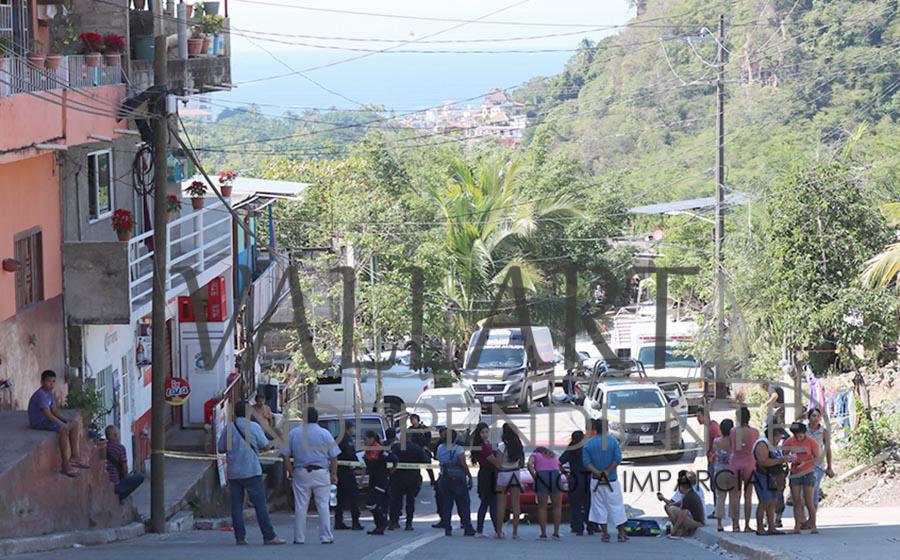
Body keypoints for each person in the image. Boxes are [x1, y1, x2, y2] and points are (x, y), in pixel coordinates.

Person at [217, 401, 286, 546]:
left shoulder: (228, 429)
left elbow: (221, 448)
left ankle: (240, 538)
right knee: (260, 505)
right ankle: (269, 536)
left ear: (235, 413)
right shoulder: (254, 427)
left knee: (236, 506)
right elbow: (265, 445)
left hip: (234, 472)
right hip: (251, 470)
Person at [284, 407, 339, 544]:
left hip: (301, 472)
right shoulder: (325, 433)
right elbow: (333, 456)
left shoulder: (294, 433)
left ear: (304, 418)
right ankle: (326, 536)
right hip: (321, 472)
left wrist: (290, 470)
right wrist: (334, 474)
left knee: (301, 506)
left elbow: (285, 454)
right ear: (317, 418)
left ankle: (299, 537)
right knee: (323, 505)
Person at [28, 370, 89, 478]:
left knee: (74, 424)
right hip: (39, 422)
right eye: (48, 382)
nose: (51, 384)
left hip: (48, 419)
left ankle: (75, 456)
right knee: (63, 430)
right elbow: (48, 415)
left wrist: (65, 420)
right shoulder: (41, 395)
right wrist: (63, 425)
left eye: (53, 382)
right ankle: (65, 464)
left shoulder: (49, 394)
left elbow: (55, 411)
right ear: (42, 382)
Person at [582, 418, 629, 543]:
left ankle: (605, 534)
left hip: (596, 480)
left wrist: (598, 472)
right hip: (611, 479)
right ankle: (621, 533)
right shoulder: (613, 442)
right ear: (607, 428)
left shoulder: (588, 444)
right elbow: (617, 459)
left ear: (595, 429)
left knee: (599, 507)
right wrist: (607, 472)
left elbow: (586, 463)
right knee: (617, 506)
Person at [752, 430, 791, 536]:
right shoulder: (762, 444)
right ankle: (760, 528)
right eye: (779, 437)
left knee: (773, 501)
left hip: (773, 476)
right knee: (764, 502)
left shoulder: (773, 446)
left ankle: (771, 526)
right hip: (762, 475)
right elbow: (763, 461)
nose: (779, 440)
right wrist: (780, 460)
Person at [436, 429, 475, 536]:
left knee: (447, 503)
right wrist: (469, 476)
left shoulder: (440, 448)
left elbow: (439, 459)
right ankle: (467, 527)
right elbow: (463, 464)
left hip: (445, 477)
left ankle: (447, 527)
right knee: (464, 504)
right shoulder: (458, 449)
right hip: (458, 478)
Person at [389, 427, 429, 530]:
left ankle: (394, 521)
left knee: (396, 500)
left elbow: (389, 459)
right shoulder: (416, 448)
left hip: (397, 478)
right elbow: (426, 461)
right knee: (410, 501)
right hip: (412, 478)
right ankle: (408, 523)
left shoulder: (397, 448)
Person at [784, 422, 819, 534]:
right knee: (797, 501)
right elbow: (783, 453)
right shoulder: (790, 441)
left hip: (808, 472)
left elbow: (816, 457)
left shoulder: (811, 442)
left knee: (809, 501)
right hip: (795, 473)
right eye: (796, 435)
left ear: (804, 433)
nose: (798, 437)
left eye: (800, 435)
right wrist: (789, 458)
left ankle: (813, 525)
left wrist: (805, 463)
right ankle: (797, 526)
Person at [729, 406, 758, 533]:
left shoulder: (733, 431)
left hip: (735, 463)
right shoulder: (754, 432)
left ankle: (735, 525)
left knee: (735, 496)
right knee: (748, 496)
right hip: (749, 463)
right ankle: (746, 525)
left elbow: (732, 447)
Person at [494, 423, 525, 539]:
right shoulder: (518, 446)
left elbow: (497, 464)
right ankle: (515, 533)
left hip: (504, 475)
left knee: (501, 505)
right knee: (515, 504)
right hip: (515, 474)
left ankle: (499, 532)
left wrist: (503, 468)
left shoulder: (502, 447)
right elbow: (522, 464)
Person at [364, 430, 398, 535]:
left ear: (372, 439)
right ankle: (379, 526)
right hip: (373, 480)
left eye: (365, 439)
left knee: (371, 502)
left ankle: (383, 522)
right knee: (374, 504)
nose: (364, 441)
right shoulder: (369, 451)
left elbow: (394, 459)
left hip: (381, 481)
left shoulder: (380, 450)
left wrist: (392, 469)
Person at [560, 430, 592, 536]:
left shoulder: (571, 448)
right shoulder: (587, 447)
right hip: (588, 476)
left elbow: (559, 462)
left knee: (575, 504)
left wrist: (565, 472)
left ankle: (578, 527)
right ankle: (590, 526)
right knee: (588, 503)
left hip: (575, 477)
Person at [528, 446, 563, 540]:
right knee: (557, 506)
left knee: (542, 507)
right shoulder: (553, 456)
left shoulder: (535, 455)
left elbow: (529, 464)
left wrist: (534, 476)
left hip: (542, 476)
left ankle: (543, 534)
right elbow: (560, 467)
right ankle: (556, 533)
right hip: (555, 475)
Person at [334, 422, 364, 531]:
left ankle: (338, 522)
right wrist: (358, 464)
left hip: (338, 471)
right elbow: (351, 455)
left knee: (340, 498)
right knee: (354, 497)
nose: (354, 431)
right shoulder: (346, 440)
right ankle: (355, 522)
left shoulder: (336, 438)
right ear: (348, 429)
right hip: (346, 471)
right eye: (353, 428)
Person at [471, 422, 498, 537]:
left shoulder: (486, 444)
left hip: (486, 474)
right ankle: (492, 530)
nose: (485, 434)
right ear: (479, 434)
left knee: (488, 503)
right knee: (489, 503)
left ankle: (486, 529)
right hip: (488, 475)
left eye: (487, 432)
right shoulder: (483, 446)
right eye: (482, 432)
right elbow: (494, 462)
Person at [105, 426, 144, 500]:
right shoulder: (120, 448)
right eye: (117, 434)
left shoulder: (105, 447)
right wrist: (125, 476)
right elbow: (125, 467)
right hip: (116, 484)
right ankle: (122, 496)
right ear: (115, 435)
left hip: (107, 482)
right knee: (140, 477)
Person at [807, 407, 834, 507]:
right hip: (805, 465)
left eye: (818, 416)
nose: (816, 418)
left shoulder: (823, 432)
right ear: (809, 418)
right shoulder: (804, 430)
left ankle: (812, 517)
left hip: (818, 466)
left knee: (814, 490)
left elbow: (827, 449)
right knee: (805, 493)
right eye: (813, 416)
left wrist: (829, 466)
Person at [697, 407, 721, 518]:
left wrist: (712, 454)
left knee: (715, 486)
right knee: (713, 487)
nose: (697, 419)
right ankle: (717, 510)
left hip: (714, 461)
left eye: (699, 416)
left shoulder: (712, 427)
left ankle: (718, 510)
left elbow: (718, 441)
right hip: (712, 460)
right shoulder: (710, 427)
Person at [712, 419, 735, 532]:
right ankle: (735, 523)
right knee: (733, 497)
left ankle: (719, 524)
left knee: (720, 497)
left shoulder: (717, 441)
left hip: (720, 470)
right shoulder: (734, 442)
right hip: (732, 471)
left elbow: (714, 454)